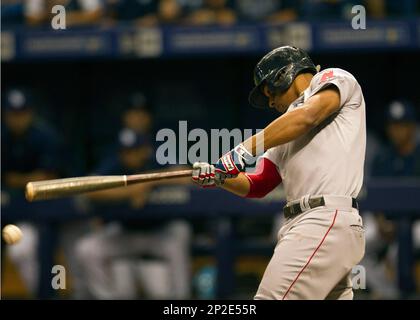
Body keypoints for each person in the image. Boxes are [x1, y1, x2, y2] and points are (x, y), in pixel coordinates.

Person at [192, 45, 366, 300]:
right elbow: (258, 184)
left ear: (285, 74)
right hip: (321, 228)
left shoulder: (334, 78)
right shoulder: (283, 132)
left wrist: (242, 151)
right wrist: (221, 177)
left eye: (269, 92)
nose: (271, 102)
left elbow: (309, 115)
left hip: (322, 221)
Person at [75, 128, 192, 299]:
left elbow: (186, 175)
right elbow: (90, 189)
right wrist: (129, 191)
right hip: (125, 232)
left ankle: (182, 299)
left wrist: (146, 181)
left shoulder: (155, 161)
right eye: (125, 152)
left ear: (145, 150)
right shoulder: (115, 164)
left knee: (179, 236)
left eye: (134, 151)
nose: (129, 156)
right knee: (87, 249)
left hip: (160, 232)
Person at [1, 87, 61, 295]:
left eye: (22, 113)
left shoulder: (45, 136)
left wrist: (14, 180)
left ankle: (45, 294)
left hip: (43, 208)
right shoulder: (3, 137)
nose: (18, 119)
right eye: (13, 113)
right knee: (21, 251)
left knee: (26, 251)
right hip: (13, 209)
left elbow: (45, 179)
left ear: (30, 113)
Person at [362, 100, 420, 299]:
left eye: (402, 125)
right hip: (385, 223)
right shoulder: (383, 157)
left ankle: (407, 292)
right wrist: (380, 221)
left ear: (412, 127)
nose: (397, 131)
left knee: (400, 251)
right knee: (356, 247)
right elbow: (374, 195)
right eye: (393, 126)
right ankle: (390, 293)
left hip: (415, 223)